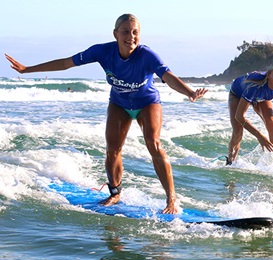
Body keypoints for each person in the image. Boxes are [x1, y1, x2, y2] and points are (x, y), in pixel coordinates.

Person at [5, 14, 208, 214]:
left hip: (147, 103)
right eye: (126, 32)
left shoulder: (147, 55)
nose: (131, 37)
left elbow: (167, 76)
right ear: (115, 34)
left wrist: (189, 92)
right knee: (113, 149)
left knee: (153, 143)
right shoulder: (102, 52)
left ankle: (171, 199)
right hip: (119, 103)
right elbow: (66, 63)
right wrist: (27, 69)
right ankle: (115, 193)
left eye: (135, 32)